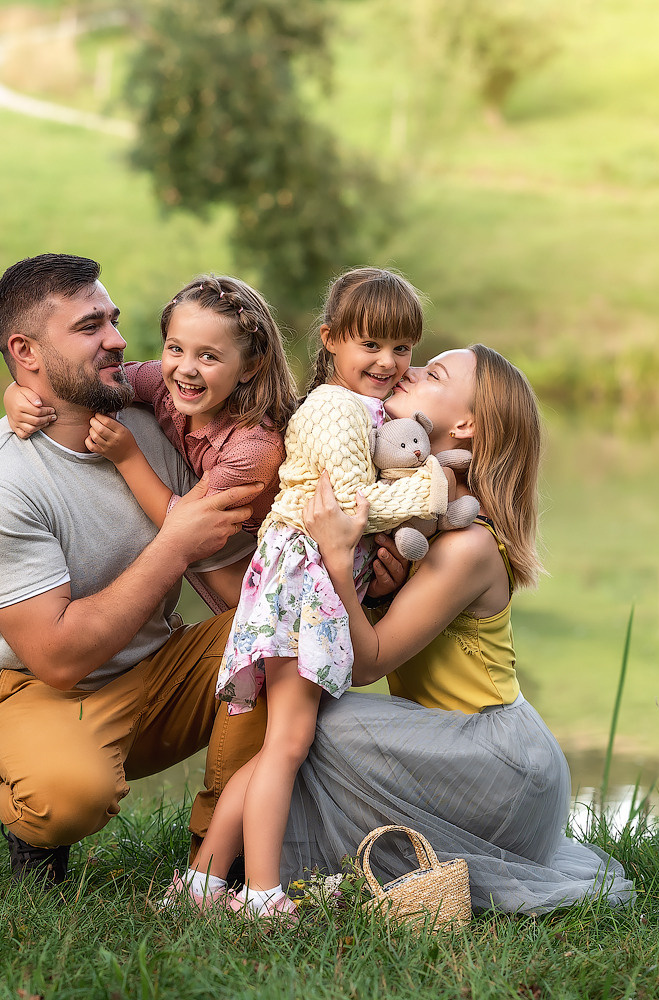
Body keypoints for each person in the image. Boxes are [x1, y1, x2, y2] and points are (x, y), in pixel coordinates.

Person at [0, 254, 269, 885]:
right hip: (36, 692)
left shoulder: (152, 426)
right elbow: (60, 659)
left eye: (114, 321)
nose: (119, 339)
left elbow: (234, 586)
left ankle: (221, 853)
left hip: (157, 673)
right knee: (67, 793)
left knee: (280, 636)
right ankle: (37, 834)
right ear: (26, 351)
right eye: (92, 326)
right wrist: (174, 542)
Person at [289, 344, 635, 913]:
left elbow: (371, 659)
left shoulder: (467, 545)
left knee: (318, 720)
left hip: (499, 765)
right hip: (454, 744)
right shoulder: (427, 522)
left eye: (433, 372)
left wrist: (335, 557)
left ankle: (285, 867)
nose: (409, 370)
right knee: (305, 706)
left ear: (466, 424)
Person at [174, 267, 451, 919]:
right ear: (330, 339)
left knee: (282, 743)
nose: (388, 361)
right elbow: (354, 509)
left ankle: (202, 884)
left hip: (308, 583)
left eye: (402, 348)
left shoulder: (362, 409)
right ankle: (263, 894)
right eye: (370, 345)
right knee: (289, 745)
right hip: (303, 583)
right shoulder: (332, 408)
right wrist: (437, 488)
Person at [3, 273, 297, 611]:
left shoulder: (254, 448)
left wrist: (128, 457)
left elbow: (187, 529)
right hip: (232, 577)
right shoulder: (161, 383)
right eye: (176, 349)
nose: (186, 369)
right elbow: (99, 382)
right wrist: (16, 391)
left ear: (249, 366)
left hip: (277, 591)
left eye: (209, 357)